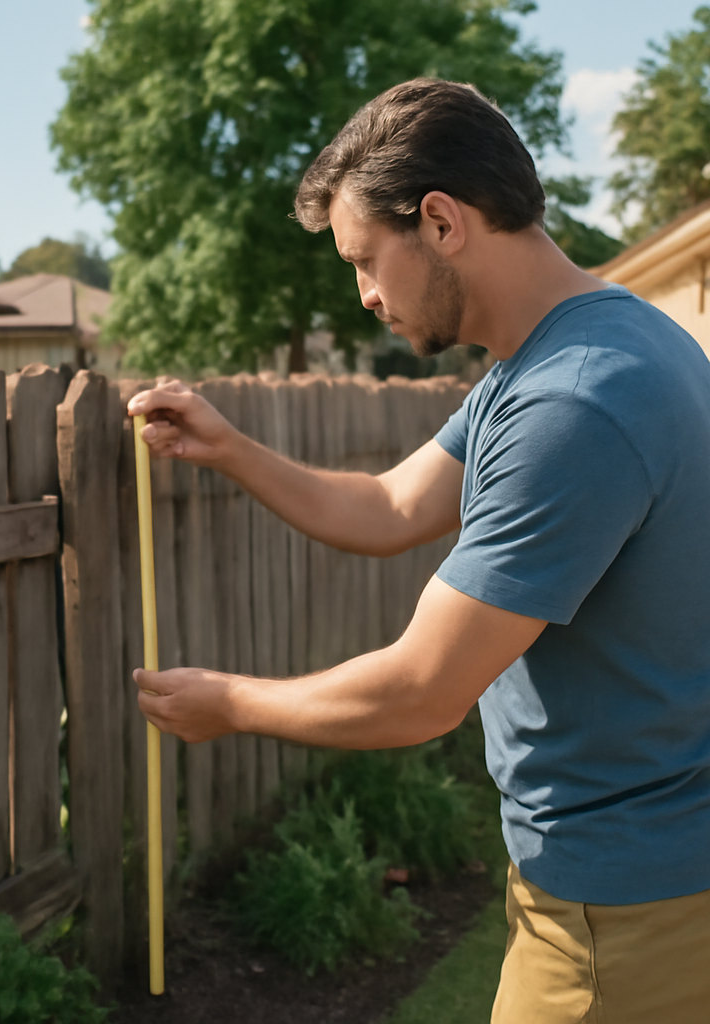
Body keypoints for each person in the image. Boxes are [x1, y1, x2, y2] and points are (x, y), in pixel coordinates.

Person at [127, 78, 710, 1023]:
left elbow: (422, 692)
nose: (361, 294)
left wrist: (229, 703)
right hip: (643, 879)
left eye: (364, 259)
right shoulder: (575, 352)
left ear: (440, 222)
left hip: (625, 911)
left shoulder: (576, 401)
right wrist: (228, 447)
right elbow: (392, 504)